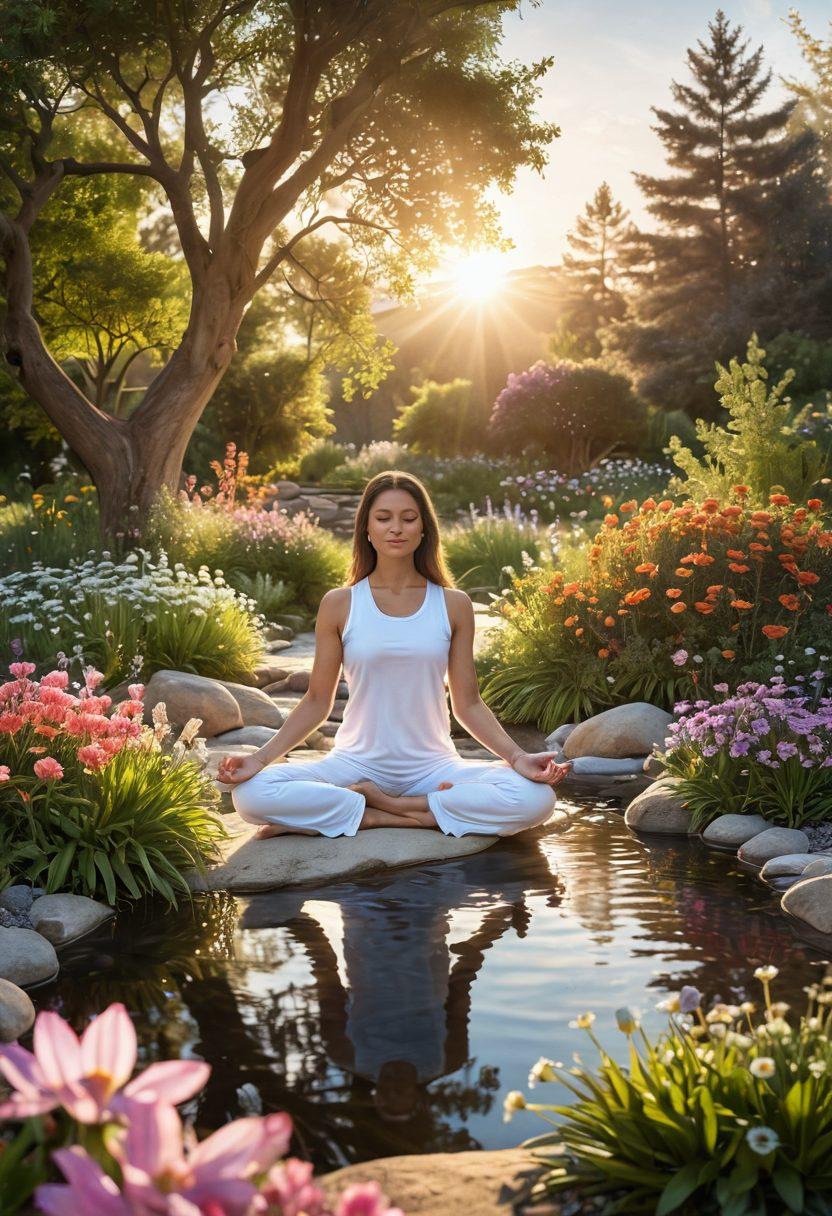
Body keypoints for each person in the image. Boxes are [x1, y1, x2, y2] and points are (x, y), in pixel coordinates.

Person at [218, 469, 570, 838]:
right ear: (367, 529)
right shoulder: (340, 603)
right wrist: (259, 759)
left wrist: (517, 757)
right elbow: (318, 701)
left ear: (424, 529)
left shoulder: (453, 605)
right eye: (384, 518)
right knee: (251, 795)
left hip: (433, 767)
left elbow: (467, 704)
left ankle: (378, 809)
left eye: (408, 518)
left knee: (536, 799)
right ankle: (396, 814)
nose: (396, 528)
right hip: (354, 763)